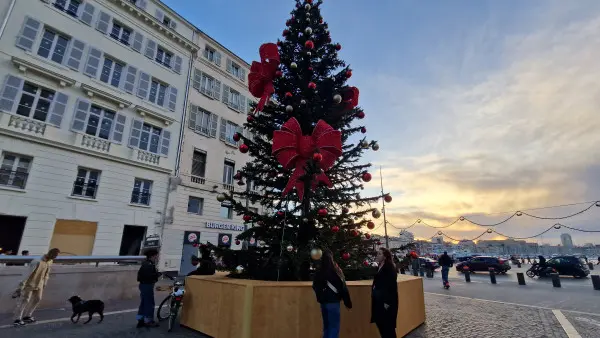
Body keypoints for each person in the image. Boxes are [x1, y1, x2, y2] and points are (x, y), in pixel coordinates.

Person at [13, 248, 60, 326]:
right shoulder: (37, 261)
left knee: (38, 299)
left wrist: (45, 283)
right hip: (30, 283)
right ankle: (17, 319)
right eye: (55, 255)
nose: (55, 257)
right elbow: (27, 274)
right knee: (25, 300)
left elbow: (47, 273)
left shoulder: (50, 261)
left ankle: (27, 315)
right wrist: (21, 286)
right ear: (51, 254)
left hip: (40, 283)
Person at [312, 249, 352, 338]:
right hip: (333, 302)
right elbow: (343, 288)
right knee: (334, 328)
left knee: (326, 328)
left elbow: (315, 286)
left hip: (323, 303)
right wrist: (347, 303)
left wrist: (320, 297)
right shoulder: (337, 271)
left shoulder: (319, 271)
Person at [371, 248, 399, 338]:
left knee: (388, 328)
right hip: (379, 301)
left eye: (379, 254)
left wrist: (387, 302)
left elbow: (391, 286)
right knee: (382, 327)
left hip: (386, 303)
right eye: (377, 254)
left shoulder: (389, 267)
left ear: (385, 256)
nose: (377, 255)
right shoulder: (380, 266)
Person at [136, 248, 161, 328]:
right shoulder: (149, 265)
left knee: (143, 303)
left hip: (143, 285)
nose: (157, 257)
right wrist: (157, 275)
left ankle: (140, 320)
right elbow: (149, 276)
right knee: (149, 304)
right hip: (147, 285)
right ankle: (148, 321)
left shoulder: (145, 263)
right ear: (152, 256)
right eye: (156, 256)